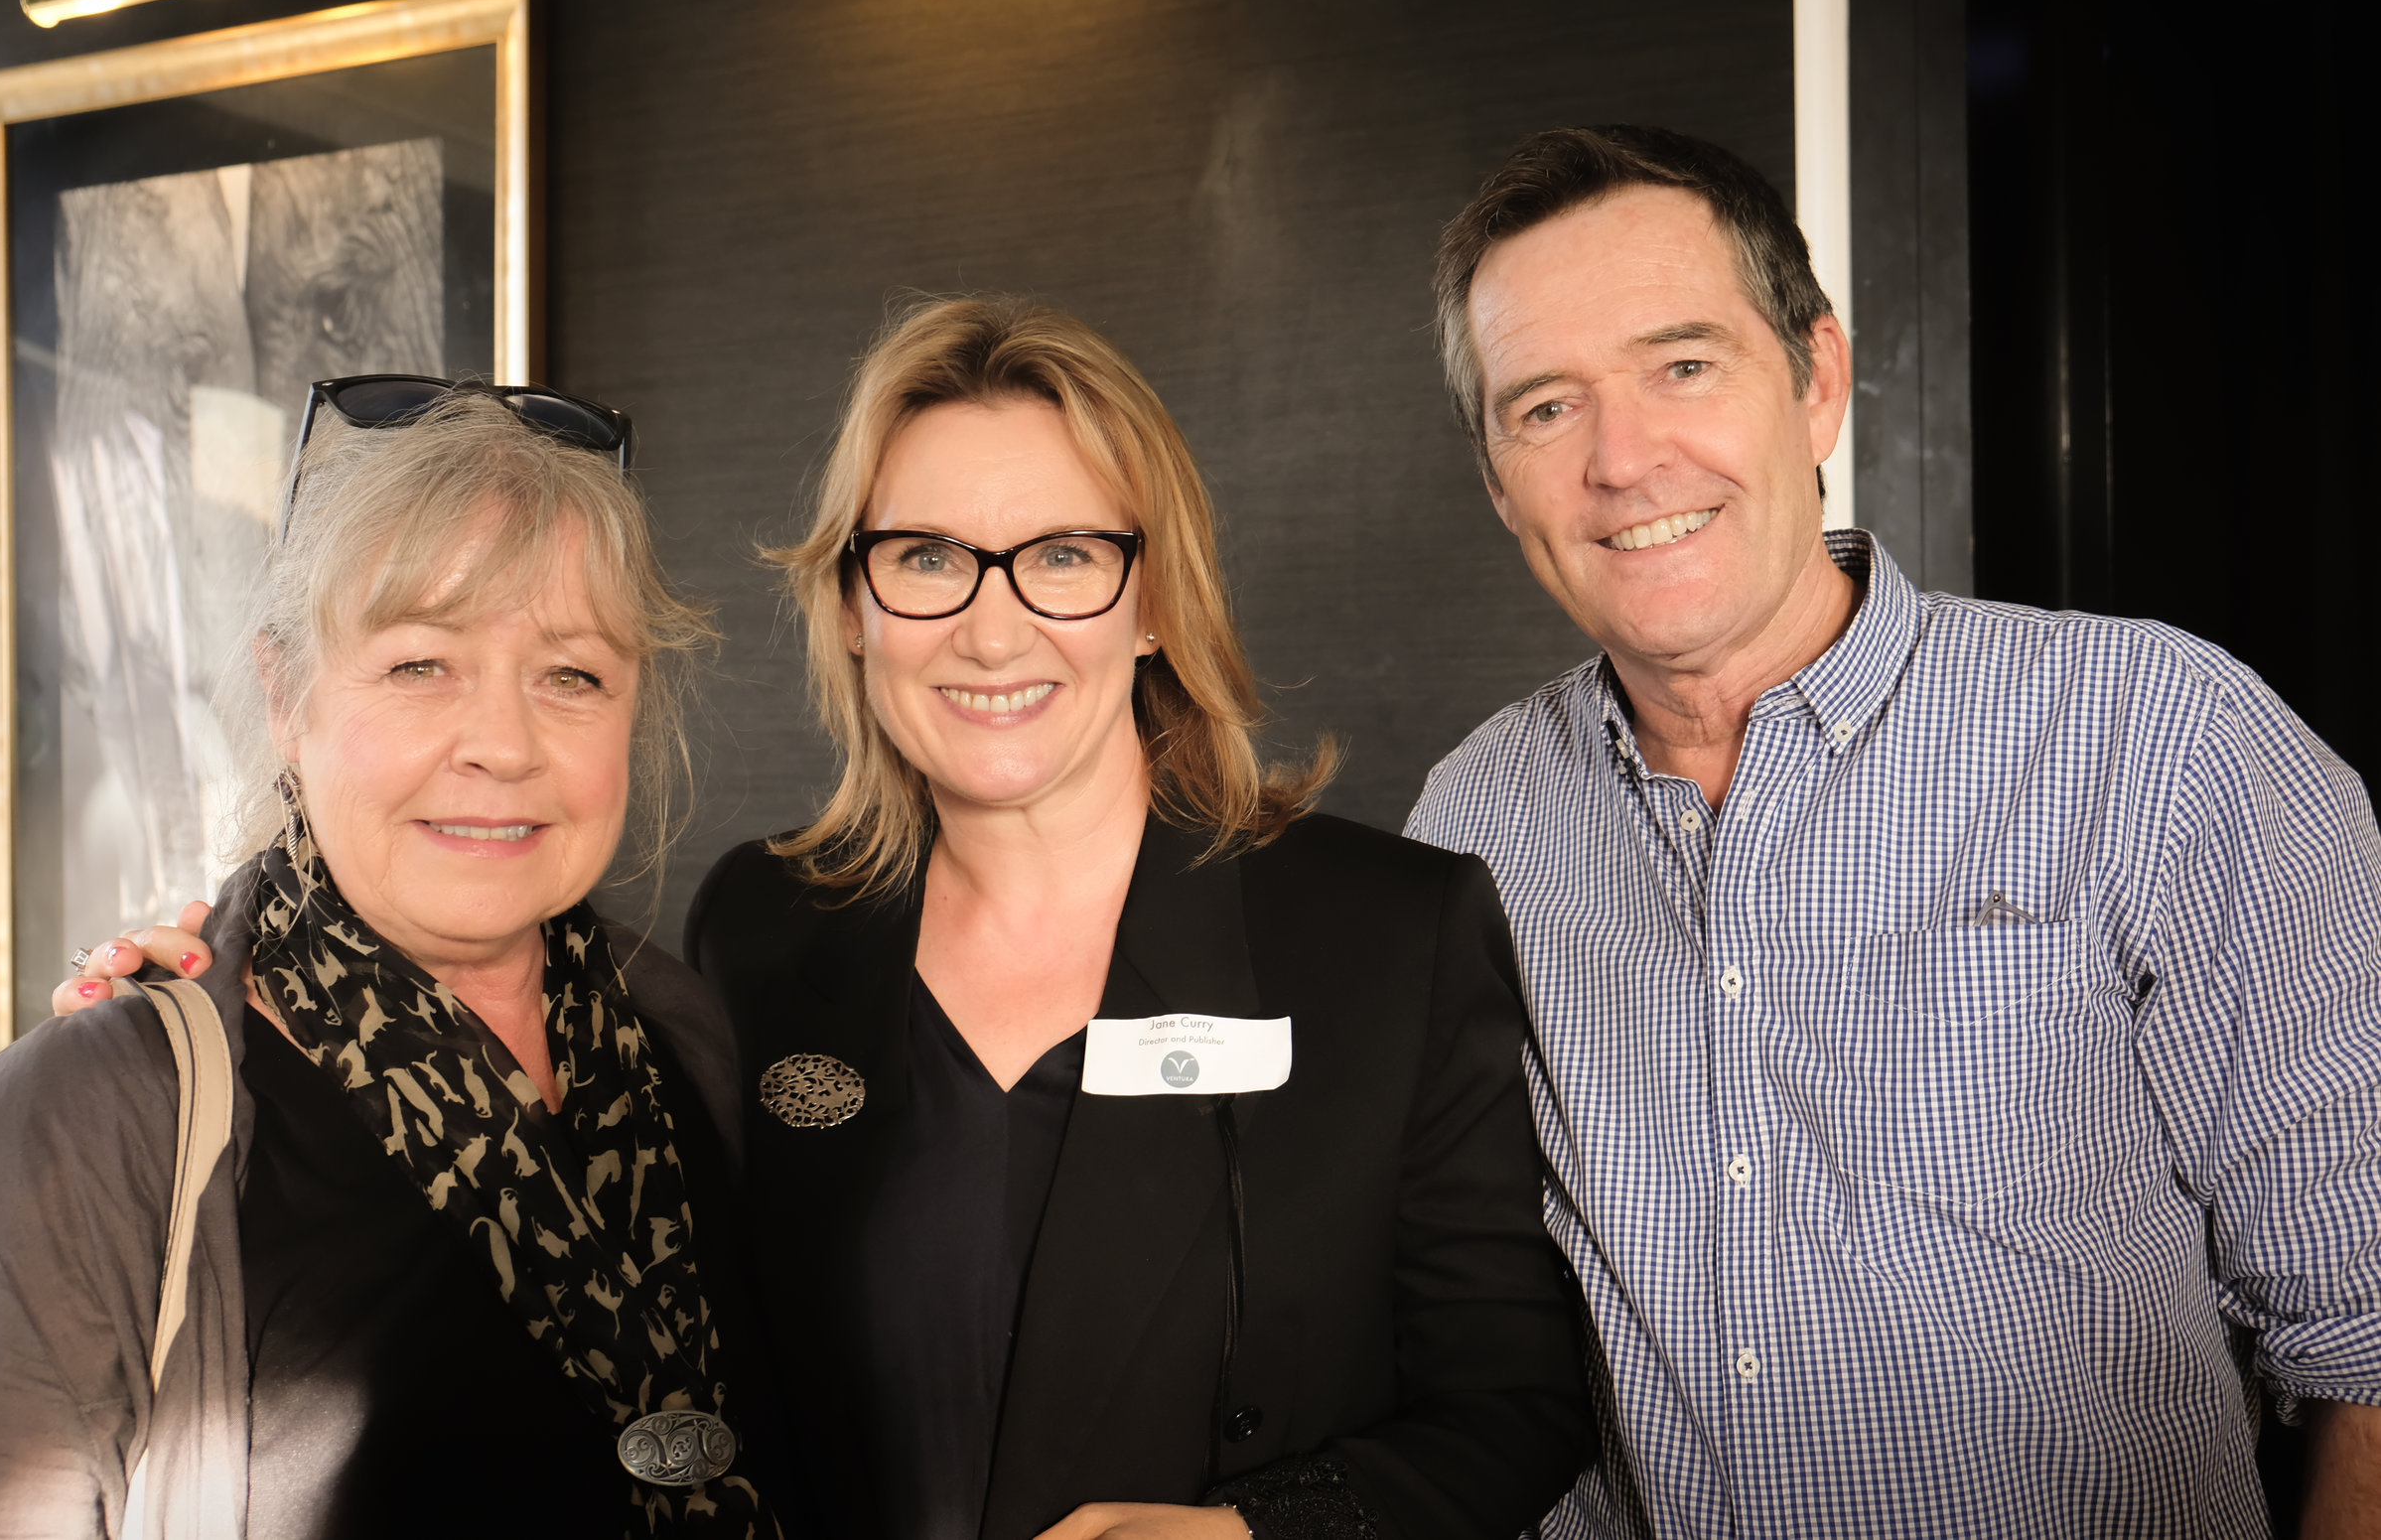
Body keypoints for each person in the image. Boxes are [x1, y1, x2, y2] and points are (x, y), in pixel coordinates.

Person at [1407, 124, 2381, 1537]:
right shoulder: (1475, 824)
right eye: (1545, 408)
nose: (1624, 459)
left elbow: (2367, 1334)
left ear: (1817, 381)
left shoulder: (2160, 736)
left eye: (1684, 365)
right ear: (1500, 482)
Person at [684, 295, 1596, 1540]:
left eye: (1062, 555)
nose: (989, 626)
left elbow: (1513, 1403)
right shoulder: (762, 926)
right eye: (928, 556)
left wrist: (1254, 1533)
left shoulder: (1389, 932)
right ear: (853, 604)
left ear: (1153, 596)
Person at [0, 387, 780, 1538]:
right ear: (284, 694)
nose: (503, 743)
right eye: (422, 663)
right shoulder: (77, 1131)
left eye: (572, 674)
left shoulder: (678, 1026)